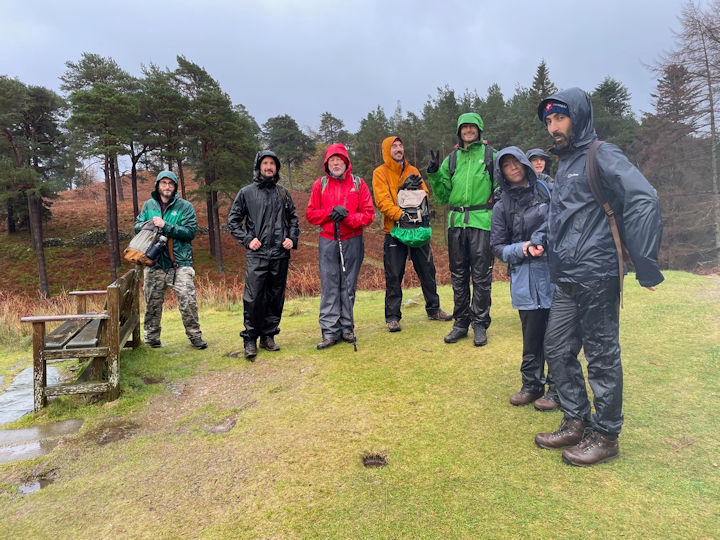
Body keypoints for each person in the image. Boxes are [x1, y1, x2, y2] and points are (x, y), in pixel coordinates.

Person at [529, 88, 664, 466]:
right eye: (549, 121)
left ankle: (605, 435)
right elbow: (564, 219)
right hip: (567, 276)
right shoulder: (565, 161)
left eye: (560, 118)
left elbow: (643, 198)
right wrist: (542, 241)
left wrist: (645, 262)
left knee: (602, 356)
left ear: (579, 116)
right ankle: (576, 420)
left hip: (597, 272)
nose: (554, 127)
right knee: (555, 349)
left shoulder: (601, 153)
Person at [490, 147, 559, 411]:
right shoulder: (500, 206)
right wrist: (523, 248)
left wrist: (543, 240)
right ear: (502, 172)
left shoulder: (546, 192)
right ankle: (531, 386)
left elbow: (559, 223)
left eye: (515, 162)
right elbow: (497, 246)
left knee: (556, 339)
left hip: (553, 275)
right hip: (524, 279)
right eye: (506, 165)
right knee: (531, 338)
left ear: (524, 163)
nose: (513, 167)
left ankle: (557, 389)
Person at [427, 113, 497, 346]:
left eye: (472, 126)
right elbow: (442, 197)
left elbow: (501, 189)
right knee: (458, 276)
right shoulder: (452, 160)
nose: (468, 130)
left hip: (481, 222)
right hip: (456, 224)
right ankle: (460, 323)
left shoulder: (490, 156)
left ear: (479, 129)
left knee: (481, 276)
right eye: (464, 127)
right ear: (459, 131)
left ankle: (479, 324)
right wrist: (436, 174)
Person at [372, 136, 452, 332]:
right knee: (394, 275)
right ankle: (392, 317)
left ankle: (434, 309)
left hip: (417, 231)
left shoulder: (413, 170)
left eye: (400, 145)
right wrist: (401, 203)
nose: (399, 149)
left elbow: (425, 195)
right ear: (386, 150)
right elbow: (382, 202)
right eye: (394, 146)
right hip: (395, 230)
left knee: (427, 271)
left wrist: (412, 190)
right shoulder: (379, 173)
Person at [228, 150, 300, 360]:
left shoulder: (283, 193)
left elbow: (294, 219)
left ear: (276, 168)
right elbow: (233, 221)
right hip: (257, 255)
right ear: (259, 166)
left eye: (272, 164)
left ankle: (268, 335)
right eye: (265, 163)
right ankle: (250, 338)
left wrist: (292, 239)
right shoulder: (246, 192)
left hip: (280, 254)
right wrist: (248, 239)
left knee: (275, 296)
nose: (269, 167)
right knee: (253, 298)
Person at [306, 143, 375, 349]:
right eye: (332, 160)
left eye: (339, 159)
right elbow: (311, 214)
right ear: (327, 164)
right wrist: (330, 213)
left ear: (346, 162)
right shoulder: (320, 184)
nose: (336, 163)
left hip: (352, 239)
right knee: (329, 285)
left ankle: (346, 328)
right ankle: (329, 331)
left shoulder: (358, 183)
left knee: (348, 285)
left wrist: (347, 217)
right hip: (328, 240)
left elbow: (368, 215)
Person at [135, 170, 207, 350]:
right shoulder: (148, 205)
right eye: (164, 183)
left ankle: (195, 337)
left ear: (175, 187)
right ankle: (151, 340)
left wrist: (165, 225)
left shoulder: (185, 207)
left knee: (187, 301)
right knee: (152, 303)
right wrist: (147, 224)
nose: (167, 187)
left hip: (180, 263)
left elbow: (190, 232)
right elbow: (137, 226)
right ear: (158, 185)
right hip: (153, 262)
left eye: (170, 184)